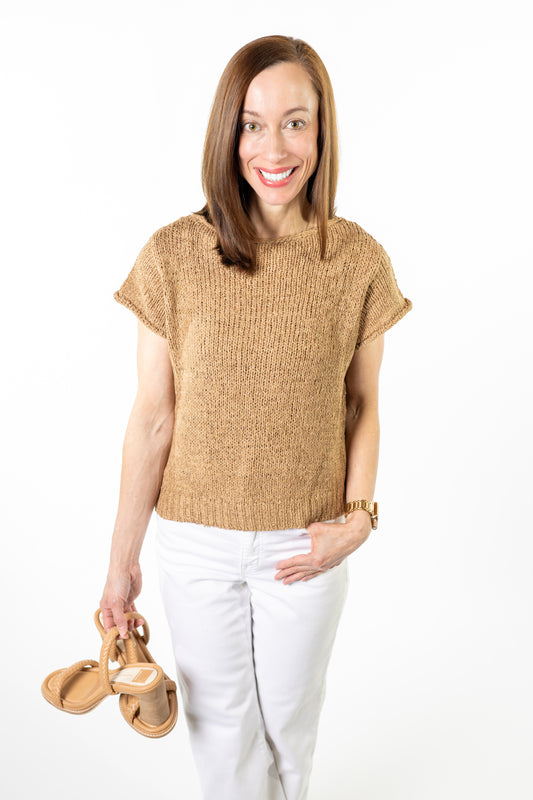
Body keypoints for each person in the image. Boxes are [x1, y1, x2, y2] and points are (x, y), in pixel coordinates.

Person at [99, 34, 412, 800]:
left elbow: (363, 404)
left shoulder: (357, 261)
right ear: (225, 133)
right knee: (220, 737)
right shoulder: (171, 256)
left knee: (288, 734)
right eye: (252, 123)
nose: (274, 146)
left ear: (321, 131)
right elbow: (152, 419)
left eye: (295, 122)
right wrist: (120, 565)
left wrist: (359, 518)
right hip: (196, 545)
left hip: (302, 547)